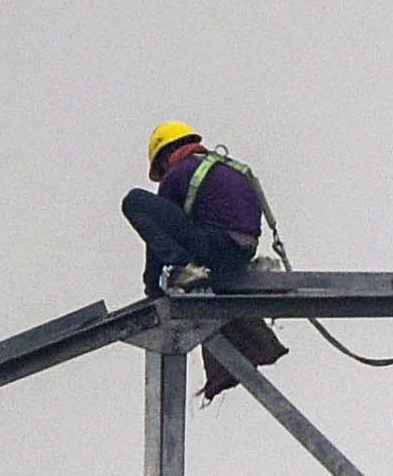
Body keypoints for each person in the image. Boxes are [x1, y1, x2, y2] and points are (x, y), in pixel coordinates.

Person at [122, 123, 291, 404]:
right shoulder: (231, 169)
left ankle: (183, 267)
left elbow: (157, 237)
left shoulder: (178, 174)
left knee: (134, 201)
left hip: (215, 246)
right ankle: (209, 268)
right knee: (203, 237)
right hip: (242, 250)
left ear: (165, 156)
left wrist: (153, 286)